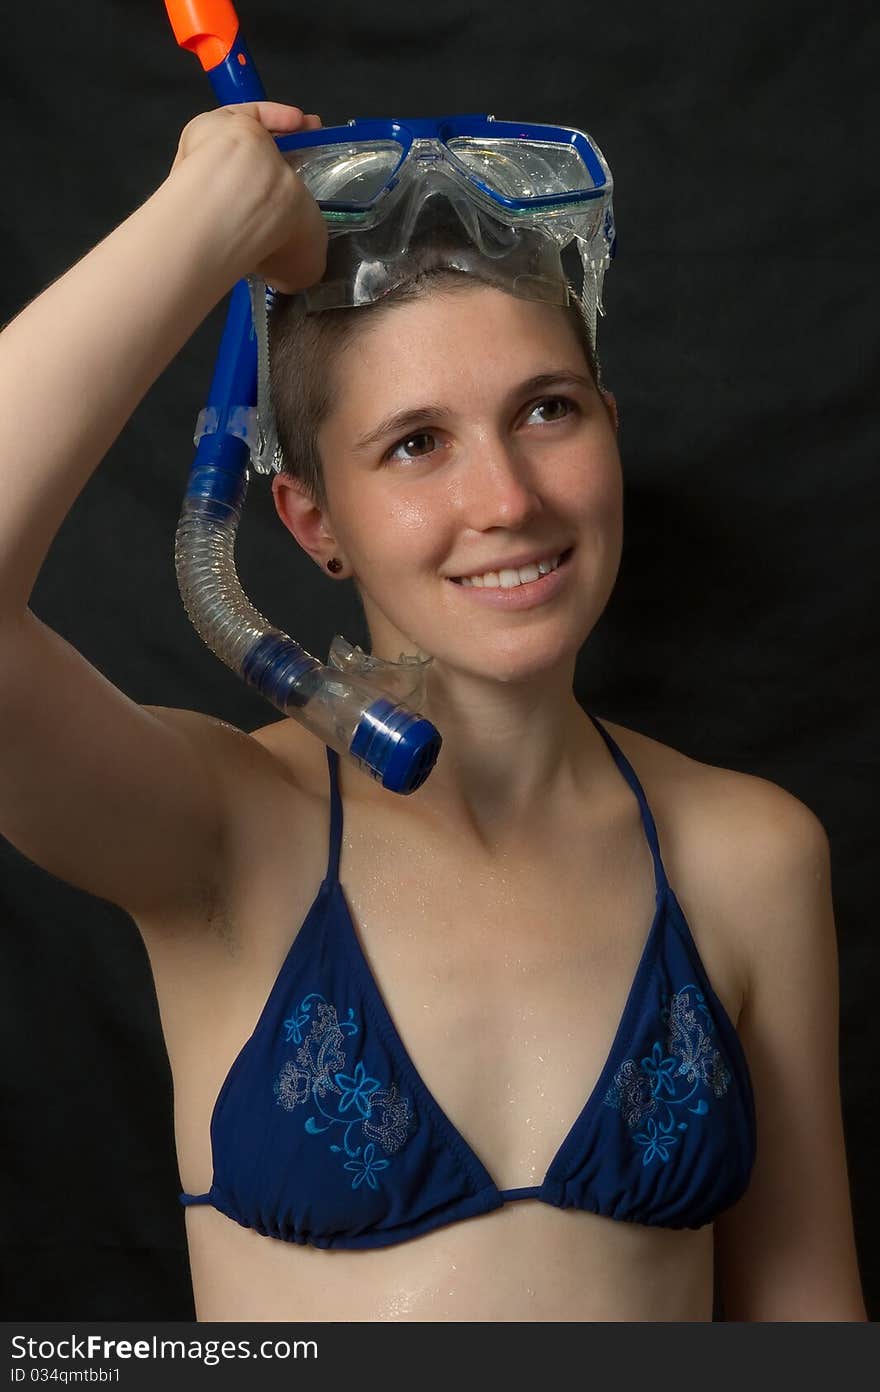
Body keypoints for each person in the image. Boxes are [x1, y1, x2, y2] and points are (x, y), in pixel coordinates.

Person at [0, 100, 867, 1322]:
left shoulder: (749, 854)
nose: (507, 499)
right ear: (313, 523)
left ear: (610, 436)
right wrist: (198, 222)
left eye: (546, 411)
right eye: (415, 445)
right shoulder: (225, 833)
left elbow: (806, 1316)